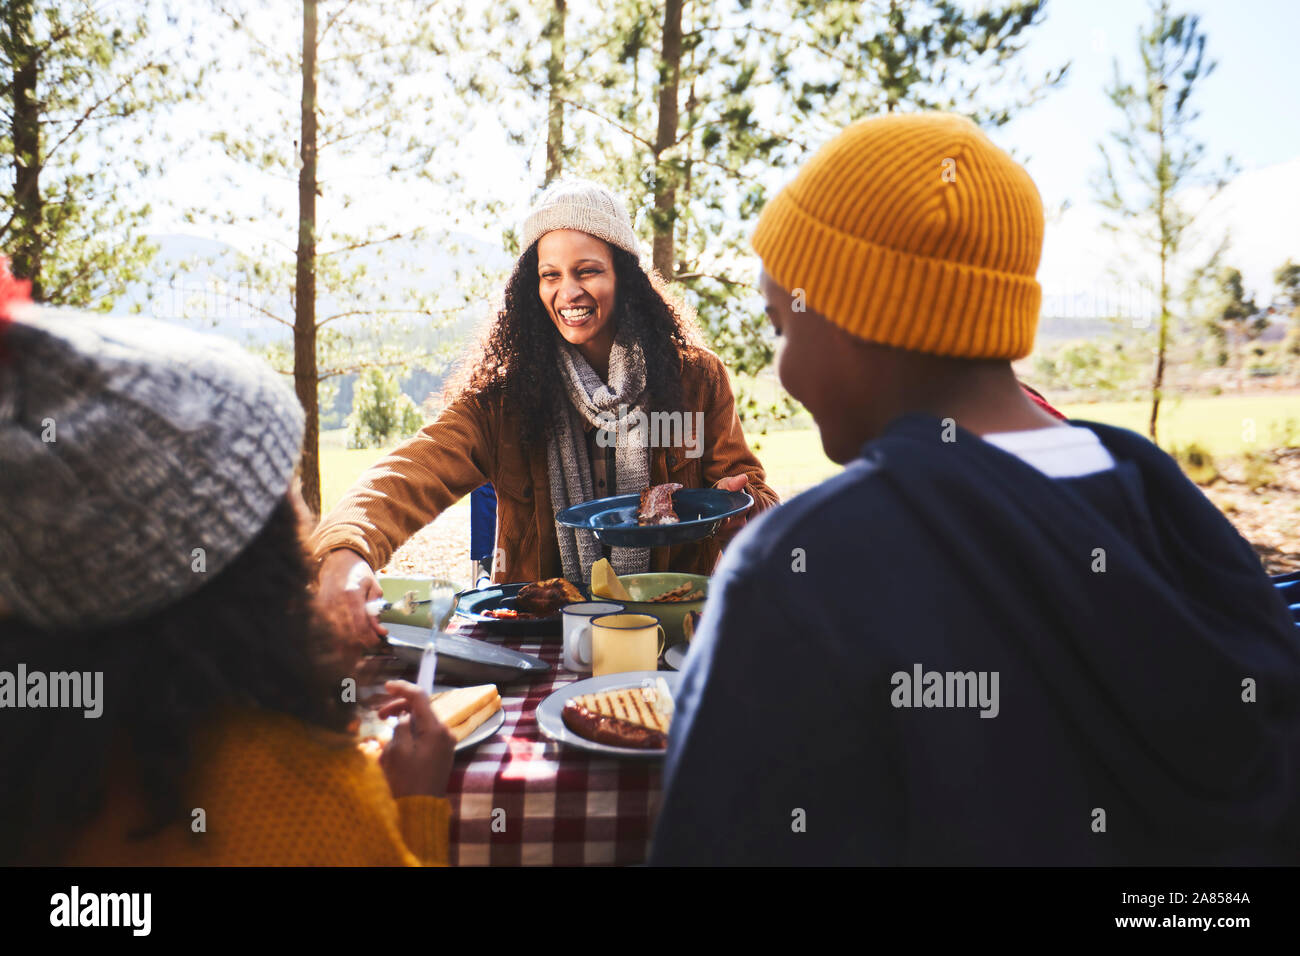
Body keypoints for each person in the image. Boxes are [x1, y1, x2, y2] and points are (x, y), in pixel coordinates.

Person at [650, 113, 1300, 866]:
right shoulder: (1169, 506)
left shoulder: (800, 569)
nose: (782, 369)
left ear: (859, 315)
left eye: (782, 326)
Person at [0, 284, 456, 866]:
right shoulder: (314, 794)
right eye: (284, 488)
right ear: (251, 556)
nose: (305, 514)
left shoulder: (35, 782)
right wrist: (414, 805)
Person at [313, 180, 779, 647]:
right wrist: (346, 550)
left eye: (588, 271)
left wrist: (742, 507)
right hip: (541, 643)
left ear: (625, 276)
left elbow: (753, 494)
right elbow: (413, 469)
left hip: (672, 638)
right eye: (550, 275)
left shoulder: (697, 379)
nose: (568, 292)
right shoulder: (504, 400)